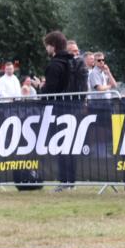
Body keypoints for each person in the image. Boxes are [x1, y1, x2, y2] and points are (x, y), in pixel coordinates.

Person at [41, 31, 78, 189]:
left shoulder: (55, 65)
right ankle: (70, 180)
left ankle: (65, 181)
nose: (46, 49)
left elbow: (50, 91)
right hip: (72, 108)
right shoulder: (72, 62)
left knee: (61, 146)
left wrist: (41, 91)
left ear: (53, 46)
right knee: (70, 145)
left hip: (58, 110)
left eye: (47, 46)